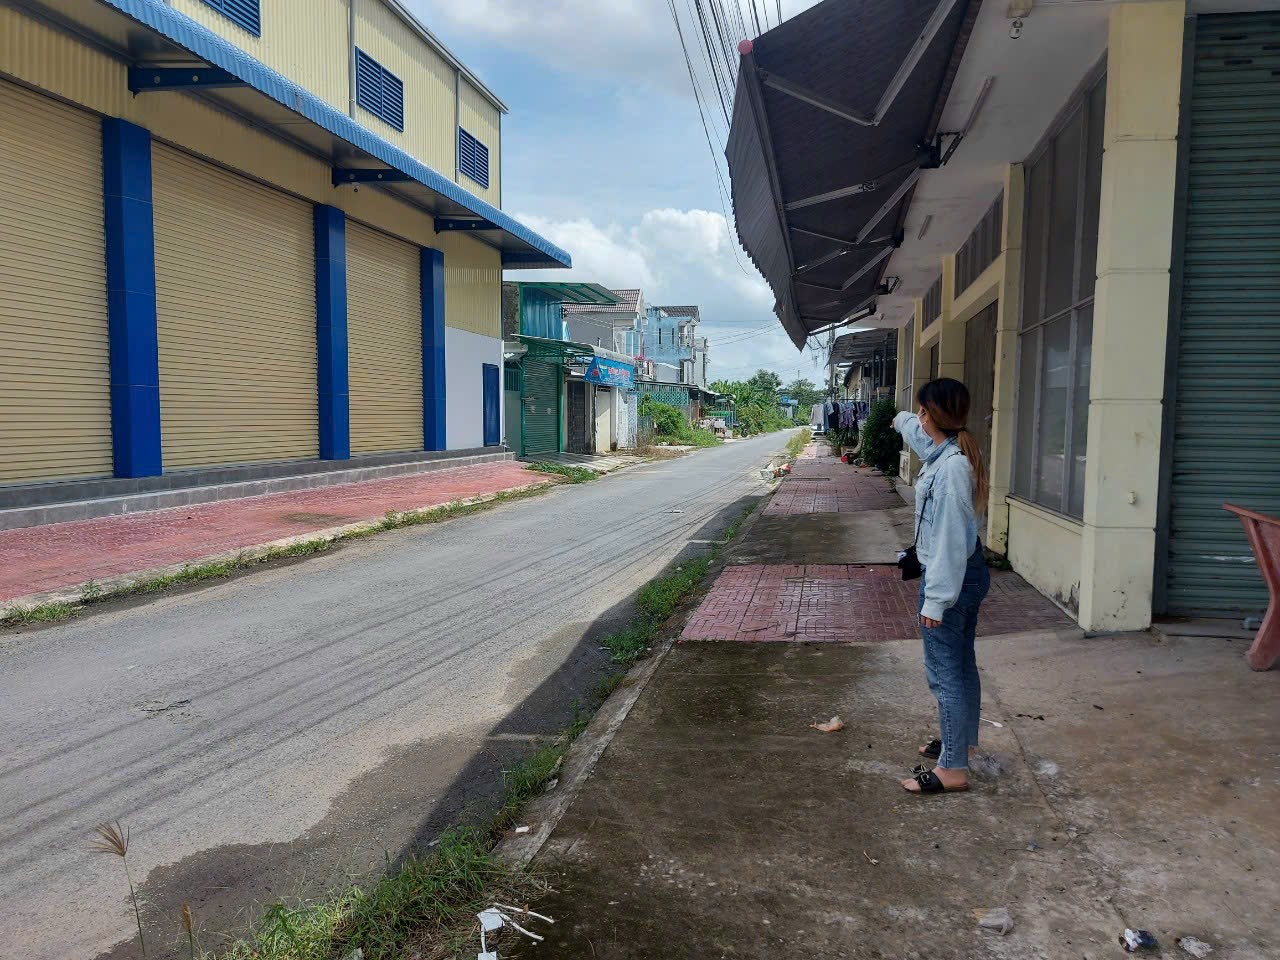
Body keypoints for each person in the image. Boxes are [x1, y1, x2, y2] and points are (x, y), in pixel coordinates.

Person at [893, 378, 991, 795]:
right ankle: (960, 744)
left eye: (921, 412)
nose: (918, 419)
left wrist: (935, 601)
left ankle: (952, 769)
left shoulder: (950, 468)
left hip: (952, 576)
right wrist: (900, 419)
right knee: (962, 665)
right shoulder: (948, 450)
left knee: (945, 672)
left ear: (931, 416)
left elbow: (950, 540)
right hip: (967, 573)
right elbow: (917, 436)